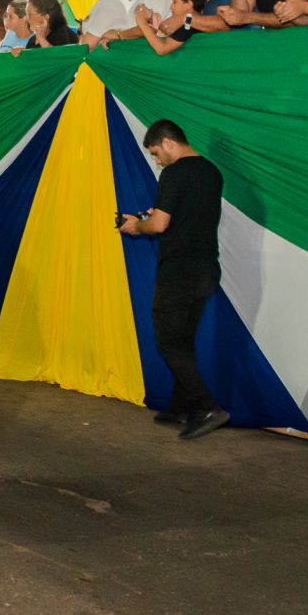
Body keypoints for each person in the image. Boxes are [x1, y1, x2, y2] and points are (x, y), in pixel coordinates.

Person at [118, 120, 231, 440]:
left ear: (168, 142)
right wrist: (155, 214)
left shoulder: (174, 173)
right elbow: (187, 215)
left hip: (179, 270)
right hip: (206, 269)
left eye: (156, 153)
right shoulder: (212, 171)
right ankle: (182, 407)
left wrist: (136, 226)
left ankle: (207, 408)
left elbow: (159, 226)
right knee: (183, 341)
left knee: (168, 342)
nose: (157, 161)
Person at [130, 0, 226, 55]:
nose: (171, 6)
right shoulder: (194, 22)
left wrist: (142, 22)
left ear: (188, 4)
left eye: (174, 1)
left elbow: (162, 49)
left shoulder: (188, 26)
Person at [11, 0, 76, 54]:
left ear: (46, 17)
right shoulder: (32, 40)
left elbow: (61, 58)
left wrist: (41, 39)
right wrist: (23, 54)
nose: (26, 18)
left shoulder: (63, 32)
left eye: (29, 14)